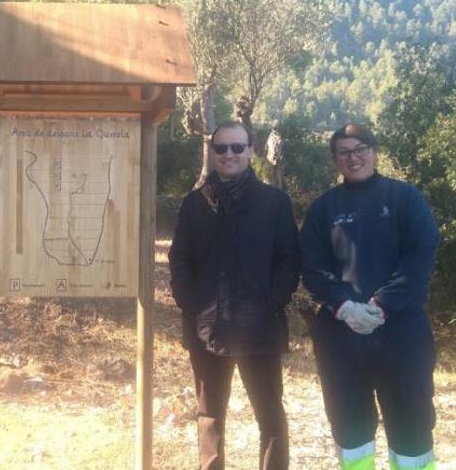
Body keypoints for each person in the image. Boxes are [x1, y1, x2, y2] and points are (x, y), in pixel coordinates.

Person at [300, 123, 440, 470]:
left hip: (402, 334)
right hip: (341, 336)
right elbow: (312, 267)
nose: (354, 157)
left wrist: (382, 305)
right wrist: (345, 307)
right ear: (335, 160)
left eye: (361, 148)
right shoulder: (324, 208)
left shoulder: (405, 198)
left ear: (375, 152)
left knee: (412, 424)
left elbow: (421, 257)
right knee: (350, 428)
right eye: (344, 152)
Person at [169, 121, 300, 470]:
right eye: (222, 148)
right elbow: (179, 258)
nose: (229, 154)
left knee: (270, 416)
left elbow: (289, 259)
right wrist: (191, 304)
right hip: (207, 328)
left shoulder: (275, 203)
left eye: (237, 147)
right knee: (209, 415)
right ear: (212, 153)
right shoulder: (195, 203)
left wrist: (272, 301)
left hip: (260, 327)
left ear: (251, 150)